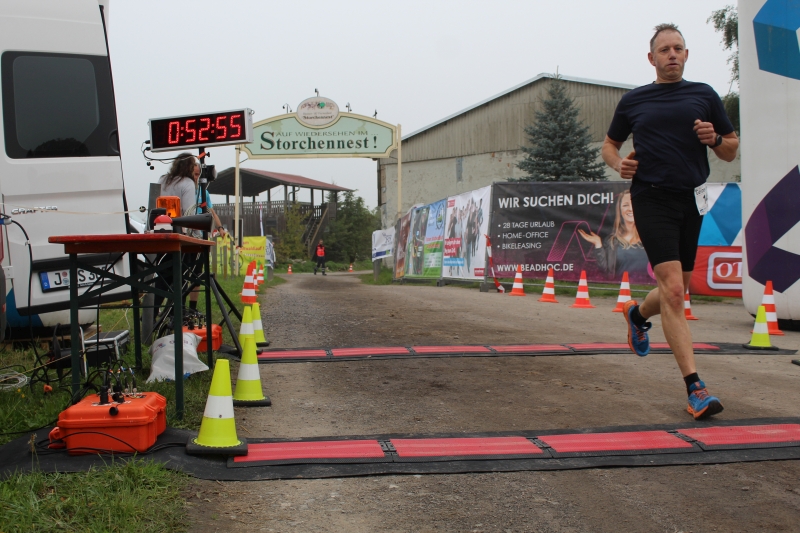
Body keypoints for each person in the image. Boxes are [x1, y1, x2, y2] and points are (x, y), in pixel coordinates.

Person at [601, 23, 738, 420]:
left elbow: (730, 149)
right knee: (675, 290)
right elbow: (609, 145)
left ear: (687, 54)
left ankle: (637, 315)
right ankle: (696, 388)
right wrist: (618, 163)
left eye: (678, 48)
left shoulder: (704, 95)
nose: (672, 54)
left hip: (691, 200)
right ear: (652, 58)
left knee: (678, 289)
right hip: (651, 198)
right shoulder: (635, 101)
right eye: (664, 49)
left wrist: (714, 138)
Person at [578, 190, 649, 280]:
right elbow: (605, 271)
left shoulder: (651, 238)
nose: (630, 209)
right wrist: (598, 244)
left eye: (634, 204)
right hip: (622, 290)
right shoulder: (611, 241)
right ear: (620, 210)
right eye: (625, 205)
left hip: (648, 290)